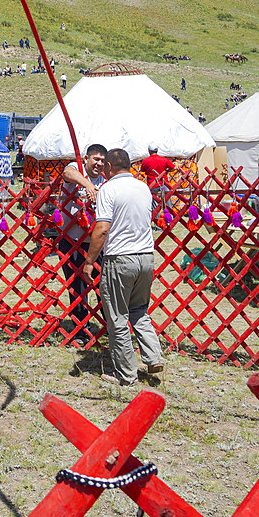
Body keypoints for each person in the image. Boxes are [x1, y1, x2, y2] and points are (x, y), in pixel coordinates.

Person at [84, 148, 163, 386]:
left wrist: (89, 261)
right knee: (139, 310)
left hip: (120, 258)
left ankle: (126, 375)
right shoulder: (143, 188)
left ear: (109, 167)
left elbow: (103, 228)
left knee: (117, 317)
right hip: (146, 257)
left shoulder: (109, 189)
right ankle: (153, 356)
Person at [58, 144, 107, 343]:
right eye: (96, 159)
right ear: (86, 158)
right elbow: (67, 172)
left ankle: (109, 326)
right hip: (72, 240)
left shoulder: (105, 181)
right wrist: (87, 184)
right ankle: (80, 331)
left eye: (103, 160)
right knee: (76, 286)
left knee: (102, 285)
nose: (99, 164)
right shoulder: (75, 168)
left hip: (95, 242)